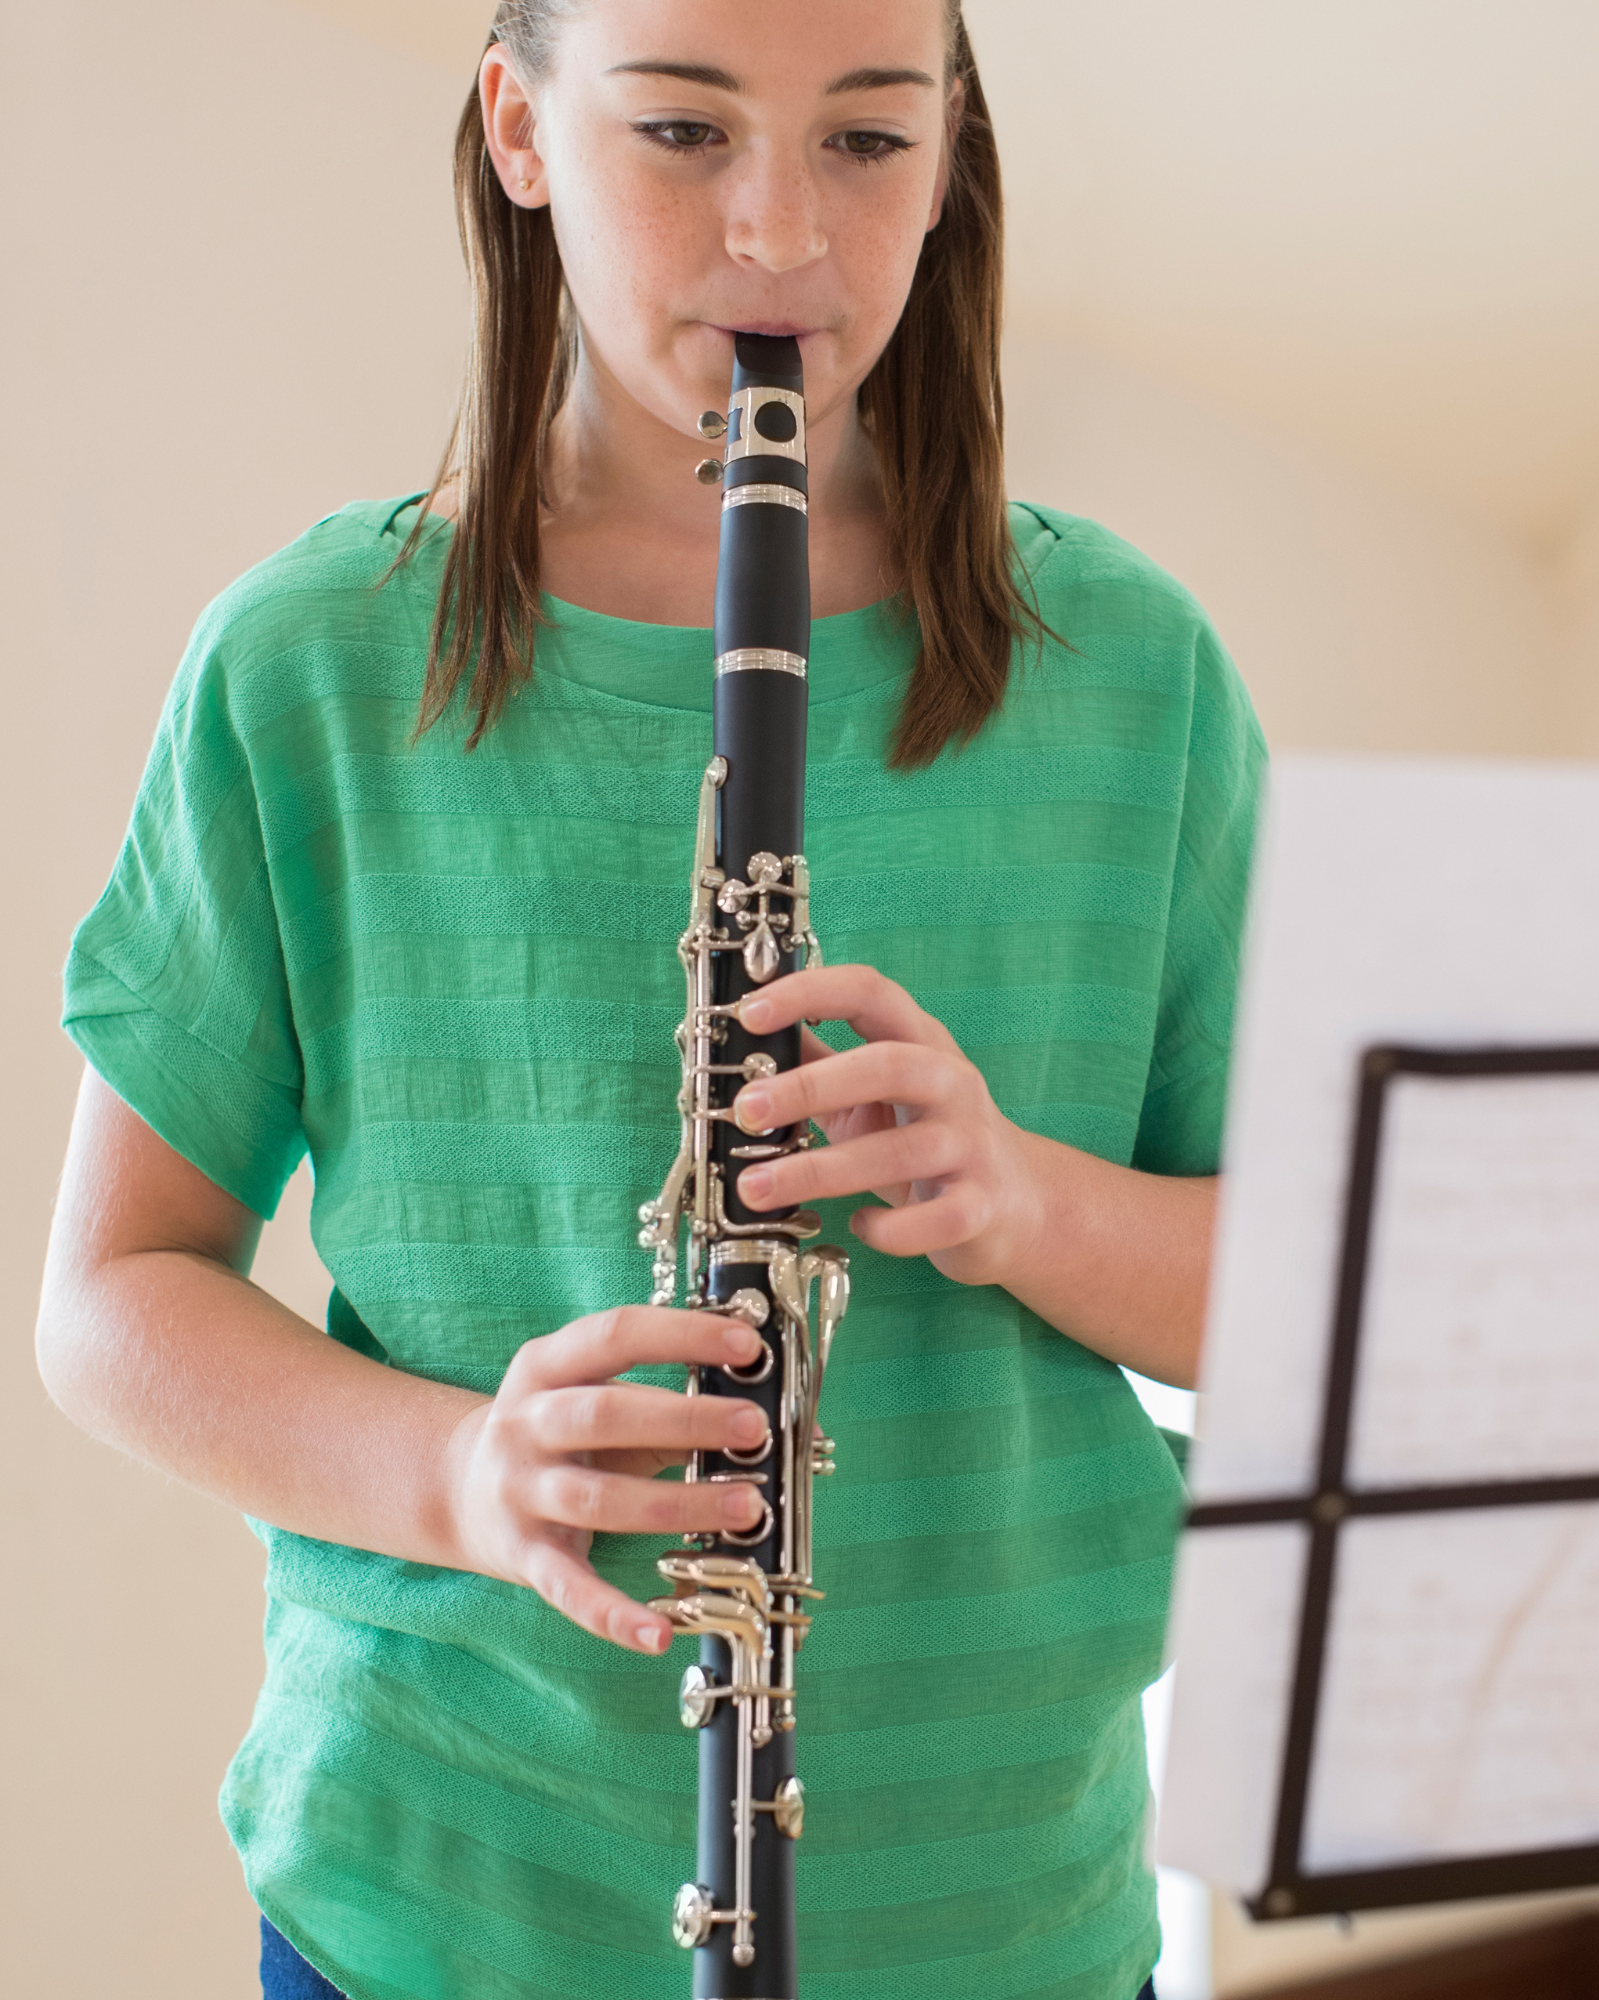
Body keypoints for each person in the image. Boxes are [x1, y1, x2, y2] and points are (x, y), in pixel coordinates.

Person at [36, 3, 1261, 1996]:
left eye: (868, 143)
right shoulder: (311, 667)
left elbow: (1319, 1299)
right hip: (440, 1905)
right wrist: (455, 1471)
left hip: (1008, 1917)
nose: (779, 235)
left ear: (954, 156)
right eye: (683, 130)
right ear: (517, 126)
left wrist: (1023, 1200)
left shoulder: (1128, 667)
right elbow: (107, 1303)